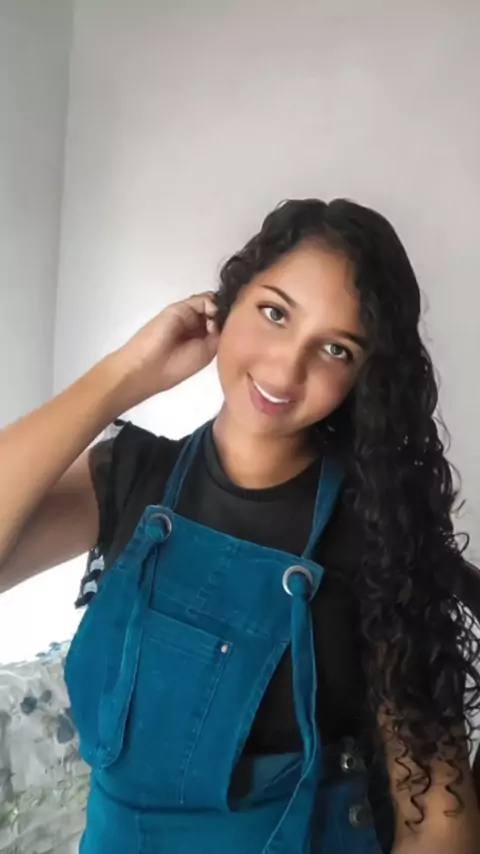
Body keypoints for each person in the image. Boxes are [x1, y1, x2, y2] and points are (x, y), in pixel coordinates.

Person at [0, 198, 479, 854]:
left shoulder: (379, 538)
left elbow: (439, 819)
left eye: (335, 349)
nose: (285, 370)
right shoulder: (128, 477)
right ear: (227, 305)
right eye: (275, 313)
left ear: (363, 377)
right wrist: (122, 376)